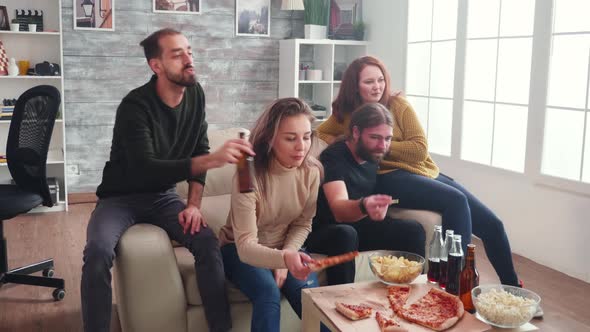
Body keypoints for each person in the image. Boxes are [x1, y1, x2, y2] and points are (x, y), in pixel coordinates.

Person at [81, 28, 254, 332]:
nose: (189, 59)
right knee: (97, 253)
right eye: (177, 54)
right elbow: (147, 168)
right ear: (156, 66)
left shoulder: (195, 94)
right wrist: (215, 159)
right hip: (118, 199)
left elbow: (199, 147)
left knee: (206, 243)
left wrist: (194, 205)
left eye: (189, 51)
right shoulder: (135, 107)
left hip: (162, 197)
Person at [315, 55, 521, 288]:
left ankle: (513, 288)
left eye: (380, 80)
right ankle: (457, 280)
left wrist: (381, 141)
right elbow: (319, 134)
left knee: (492, 224)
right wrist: (339, 139)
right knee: (456, 200)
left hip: (423, 170)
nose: (377, 86)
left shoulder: (398, 105)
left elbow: (420, 150)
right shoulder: (345, 113)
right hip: (389, 177)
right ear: (354, 85)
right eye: (369, 82)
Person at [218, 98, 323, 332]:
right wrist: (283, 260)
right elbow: (245, 246)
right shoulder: (247, 176)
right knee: (268, 292)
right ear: (270, 139)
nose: (301, 147)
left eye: (306, 137)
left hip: (286, 247)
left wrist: (287, 254)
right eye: (290, 138)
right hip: (238, 250)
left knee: (310, 298)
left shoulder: (312, 172)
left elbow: (303, 223)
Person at [306, 102, 426, 285]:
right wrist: (364, 205)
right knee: (346, 234)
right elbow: (339, 208)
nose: (382, 146)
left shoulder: (372, 155)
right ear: (356, 133)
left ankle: (411, 296)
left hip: (358, 226)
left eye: (388, 139)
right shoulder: (334, 157)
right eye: (375, 137)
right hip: (325, 229)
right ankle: (342, 300)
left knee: (413, 230)